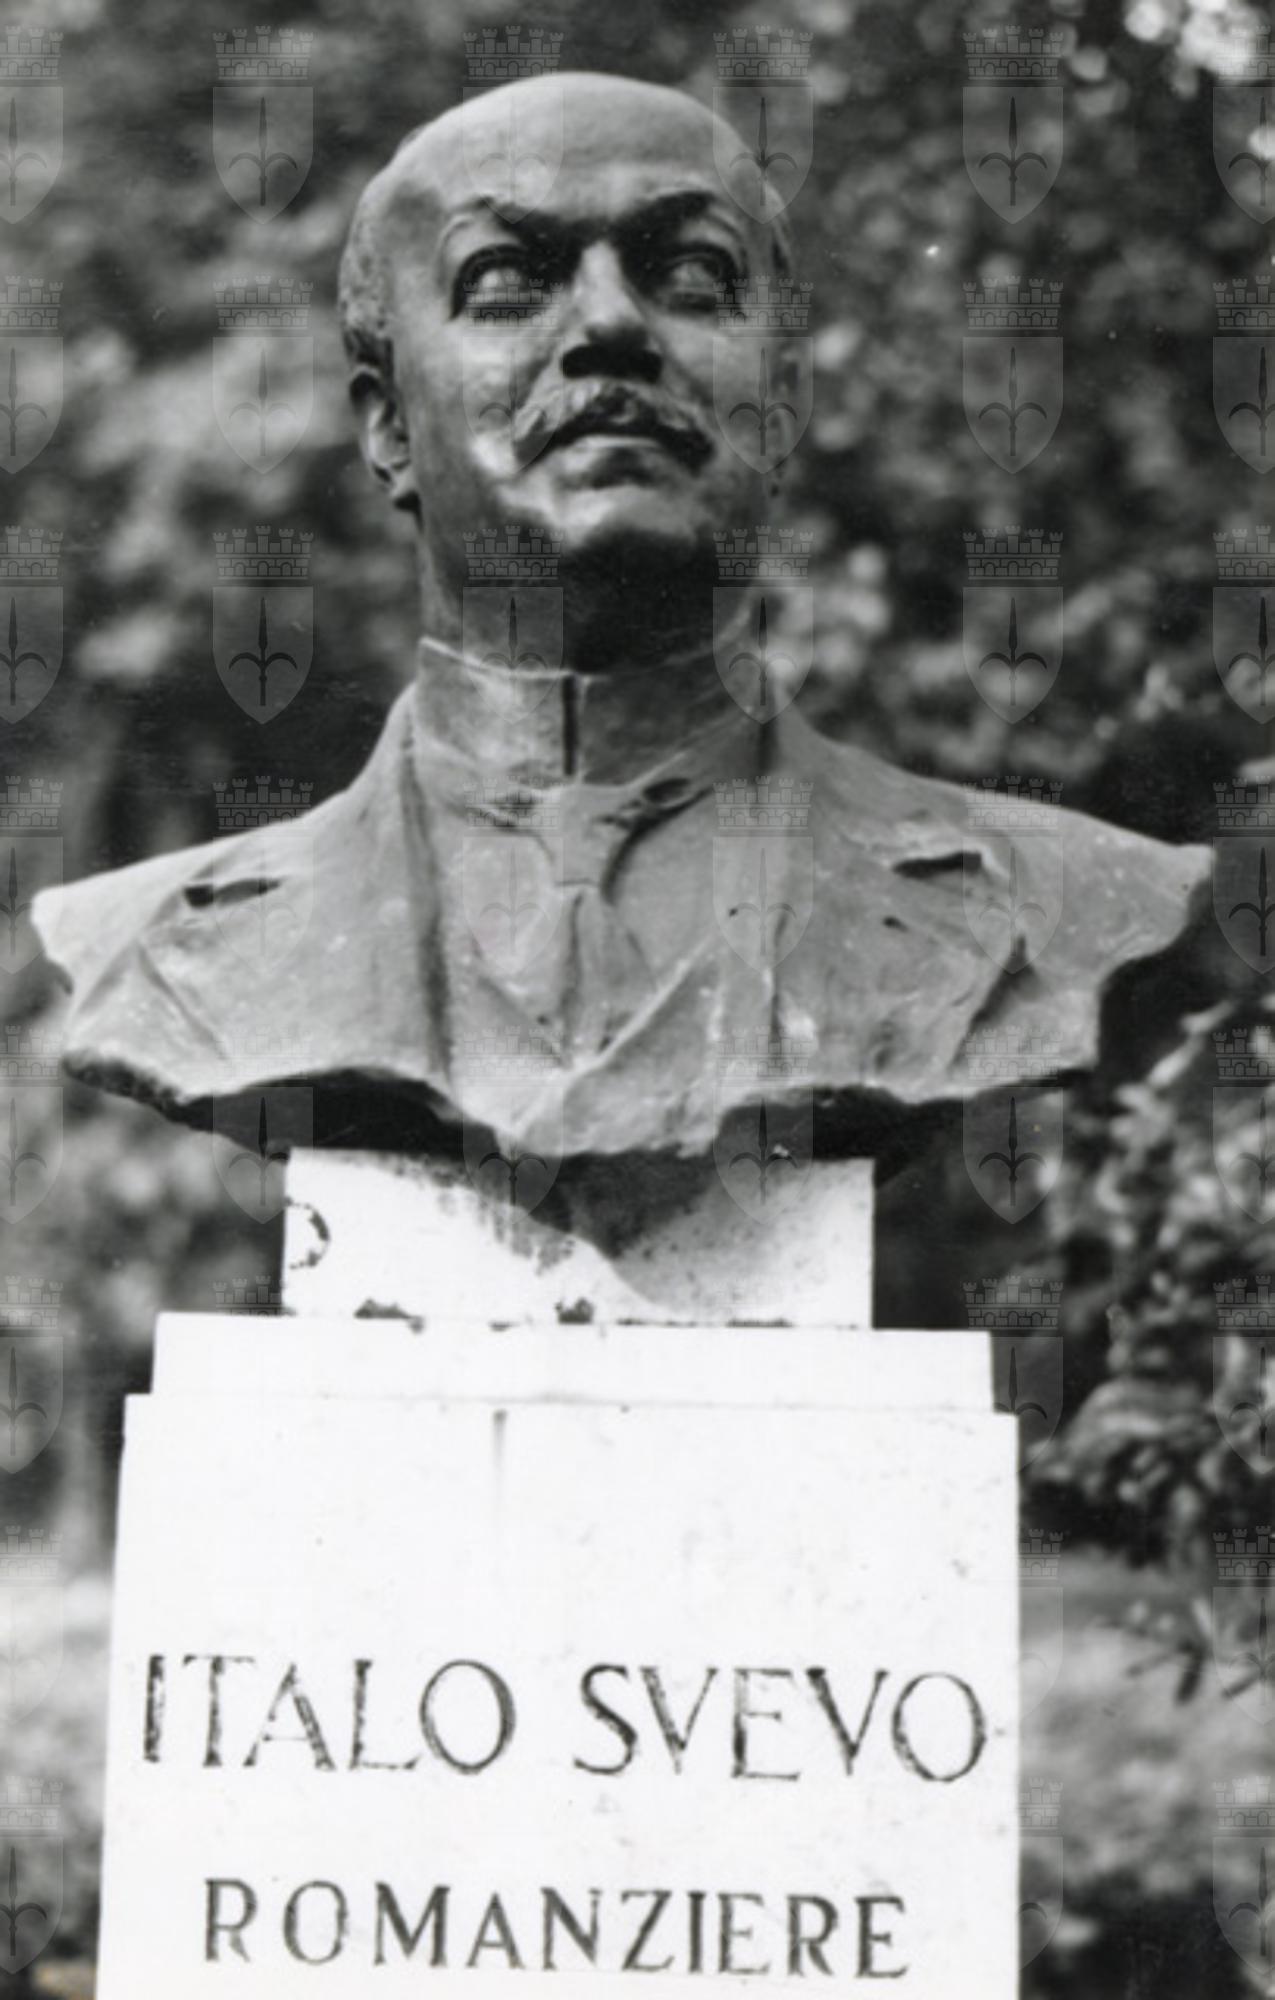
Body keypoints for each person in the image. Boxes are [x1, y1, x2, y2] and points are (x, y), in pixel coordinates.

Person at [33, 72, 1208, 1163]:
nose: (611, 327)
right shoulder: (165, 943)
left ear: (783, 405)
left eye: (691, 277)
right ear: (389, 425)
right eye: (506, 283)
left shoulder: (1059, 901)